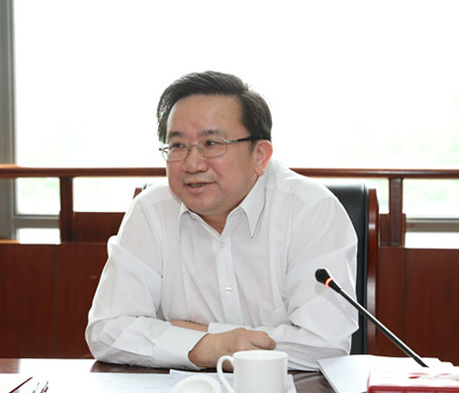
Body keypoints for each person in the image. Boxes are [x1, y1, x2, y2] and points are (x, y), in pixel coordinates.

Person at [86, 71, 358, 371]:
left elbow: (325, 346)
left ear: (260, 155)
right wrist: (208, 347)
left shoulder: (310, 210)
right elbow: (106, 331)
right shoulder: (151, 210)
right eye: (177, 146)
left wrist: (200, 337)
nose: (192, 163)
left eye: (212, 143)